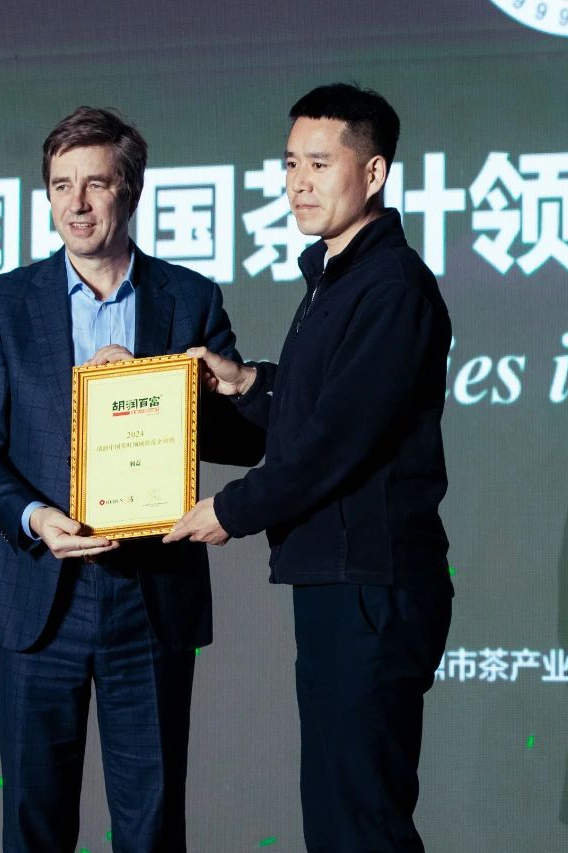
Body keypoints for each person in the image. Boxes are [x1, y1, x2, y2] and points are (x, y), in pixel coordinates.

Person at [0, 106, 260, 853]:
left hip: (148, 597)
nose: (77, 204)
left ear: (132, 190)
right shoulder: (4, 302)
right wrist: (33, 516)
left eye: (96, 183)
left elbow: (242, 439)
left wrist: (163, 388)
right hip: (38, 591)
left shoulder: (189, 298)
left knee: (151, 828)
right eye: (61, 186)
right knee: (34, 824)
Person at [165, 83, 454, 852]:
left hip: (372, 584)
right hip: (338, 580)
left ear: (374, 172)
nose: (299, 182)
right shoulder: (337, 278)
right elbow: (316, 406)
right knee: (335, 817)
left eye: (320, 164)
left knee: (362, 821)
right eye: (291, 163)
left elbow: (338, 439)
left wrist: (230, 509)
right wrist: (246, 383)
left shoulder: (391, 286)